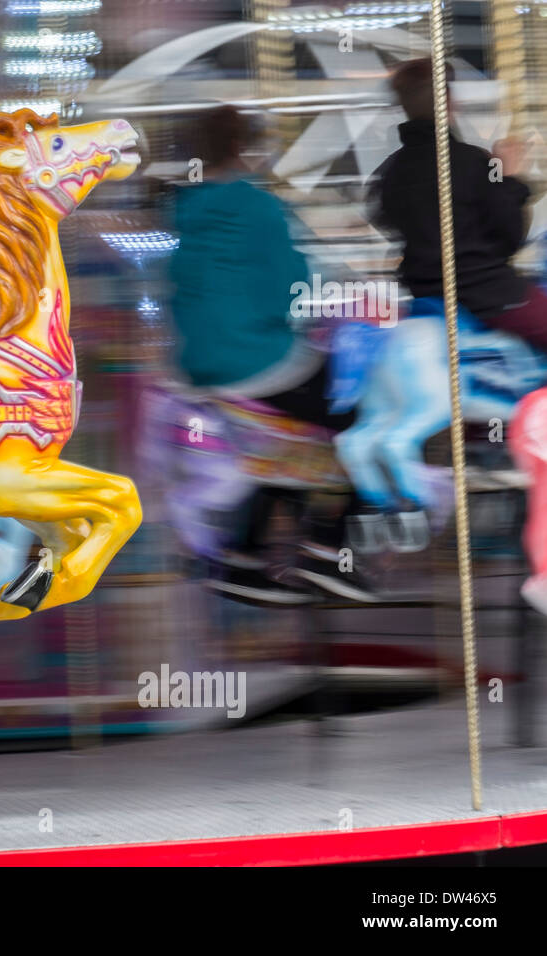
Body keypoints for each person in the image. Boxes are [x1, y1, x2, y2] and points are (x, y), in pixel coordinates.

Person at [168, 104, 379, 604]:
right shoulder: (257, 206)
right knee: (368, 415)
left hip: (204, 365)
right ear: (245, 150)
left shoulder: (185, 208)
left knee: (289, 444)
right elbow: (289, 285)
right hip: (256, 357)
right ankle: (328, 552)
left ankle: (244, 558)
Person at [369, 58, 545, 348]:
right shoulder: (476, 161)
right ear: (449, 103)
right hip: (489, 297)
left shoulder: (390, 171)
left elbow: (384, 217)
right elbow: (511, 235)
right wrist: (509, 174)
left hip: (427, 295)